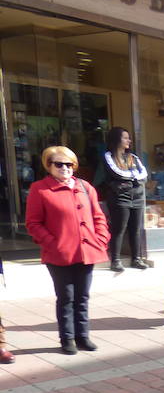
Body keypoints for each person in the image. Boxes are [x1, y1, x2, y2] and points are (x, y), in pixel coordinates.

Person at [25, 146, 109, 355]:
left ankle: (83, 336)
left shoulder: (85, 187)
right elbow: (33, 223)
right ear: (49, 165)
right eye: (59, 164)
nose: (65, 168)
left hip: (86, 250)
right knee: (66, 297)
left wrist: (101, 239)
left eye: (69, 164)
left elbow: (99, 217)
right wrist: (53, 243)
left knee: (82, 296)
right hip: (59, 254)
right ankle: (67, 338)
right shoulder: (40, 188)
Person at [103, 127, 148, 272]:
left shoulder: (133, 157)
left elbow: (144, 175)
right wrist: (133, 177)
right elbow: (116, 173)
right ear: (117, 139)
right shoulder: (108, 156)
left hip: (138, 197)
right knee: (119, 228)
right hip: (120, 198)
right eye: (125, 138)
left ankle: (137, 258)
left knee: (135, 229)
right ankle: (115, 260)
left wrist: (131, 178)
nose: (129, 140)